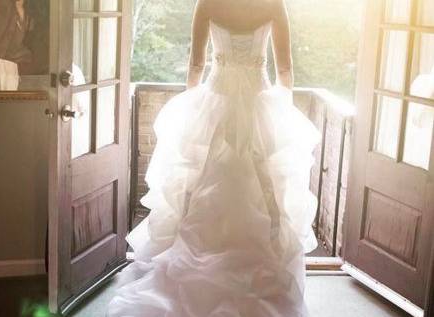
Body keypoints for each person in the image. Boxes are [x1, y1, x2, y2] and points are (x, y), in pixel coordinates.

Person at [107, 0, 321, 316]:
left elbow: (195, 66)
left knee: (205, 192)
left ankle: (194, 282)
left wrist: (194, 114)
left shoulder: (208, 2)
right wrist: (280, 117)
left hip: (216, 104)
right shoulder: (273, 4)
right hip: (258, 106)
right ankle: (260, 282)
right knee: (265, 197)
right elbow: (285, 70)